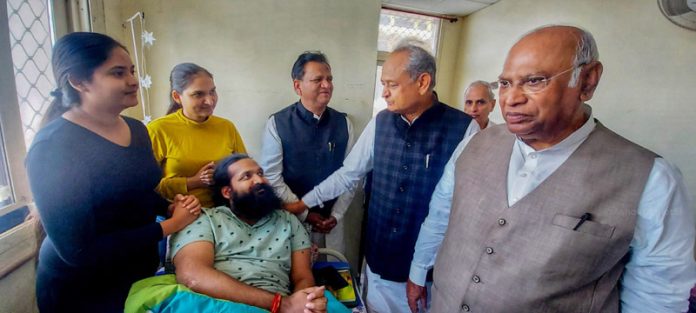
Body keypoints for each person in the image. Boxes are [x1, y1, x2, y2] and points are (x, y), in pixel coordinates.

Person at [417, 25, 696, 313]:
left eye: (534, 81)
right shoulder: (474, 145)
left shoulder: (651, 180)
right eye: (504, 83)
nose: (511, 99)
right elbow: (440, 214)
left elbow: (656, 296)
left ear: (587, 81)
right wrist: (418, 270)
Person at [285, 41, 478, 312]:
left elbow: (446, 208)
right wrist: (303, 203)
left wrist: (419, 273)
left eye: (392, 85)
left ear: (422, 82)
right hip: (379, 257)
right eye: (383, 84)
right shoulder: (381, 122)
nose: (384, 93)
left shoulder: (464, 130)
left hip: (429, 271)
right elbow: (348, 174)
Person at [25, 32, 201, 313]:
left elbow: (138, 192)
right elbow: (78, 252)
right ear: (78, 81)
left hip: (136, 276)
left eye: (131, 70)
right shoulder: (55, 147)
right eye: (117, 73)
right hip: (83, 290)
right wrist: (169, 226)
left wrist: (170, 207)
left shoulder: (136, 131)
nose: (132, 80)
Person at [169, 154, 349, 313]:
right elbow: (192, 275)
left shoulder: (289, 221)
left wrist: (304, 303)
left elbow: (302, 276)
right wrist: (281, 304)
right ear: (227, 192)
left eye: (261, 174)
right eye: (247, 176)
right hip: (218, 303)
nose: (259, 180)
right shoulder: (206, 220)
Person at [260, 51, 355, 254]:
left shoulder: (343, 123)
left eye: (329, 79)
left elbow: (353, 175)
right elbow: (272, 177)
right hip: (292, 220)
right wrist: (305, 213)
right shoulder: (278, 123)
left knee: (333, 275)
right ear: (298, 86)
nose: (327, 85)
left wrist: (336, 215)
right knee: (296, 279)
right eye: (317, 80)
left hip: (332, 222)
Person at [147, 63, 247, 208]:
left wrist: (222, 173)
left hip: (227, 210)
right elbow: (149, 187)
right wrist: (194, 181)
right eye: (198, 94)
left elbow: (245, 169)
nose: (210, 100)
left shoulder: (226, 127)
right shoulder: (158, 130)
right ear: (177, 96)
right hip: (183, 213)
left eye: (212, 91)